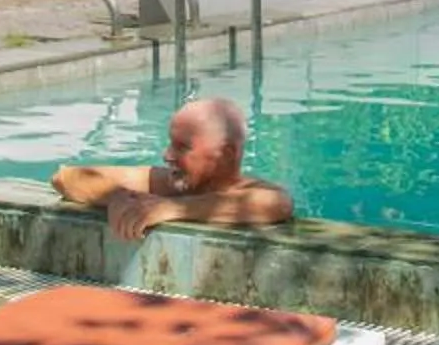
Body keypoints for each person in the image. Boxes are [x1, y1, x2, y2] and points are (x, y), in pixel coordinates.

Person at [51, 95, 294, 240]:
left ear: (226, 153)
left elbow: (278, 204)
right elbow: (66, 178)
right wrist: (119, 198)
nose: (167, 155)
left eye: (182, 147)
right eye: (170, 144)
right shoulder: (169, 183)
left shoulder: (252, 192)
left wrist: (173, 208)